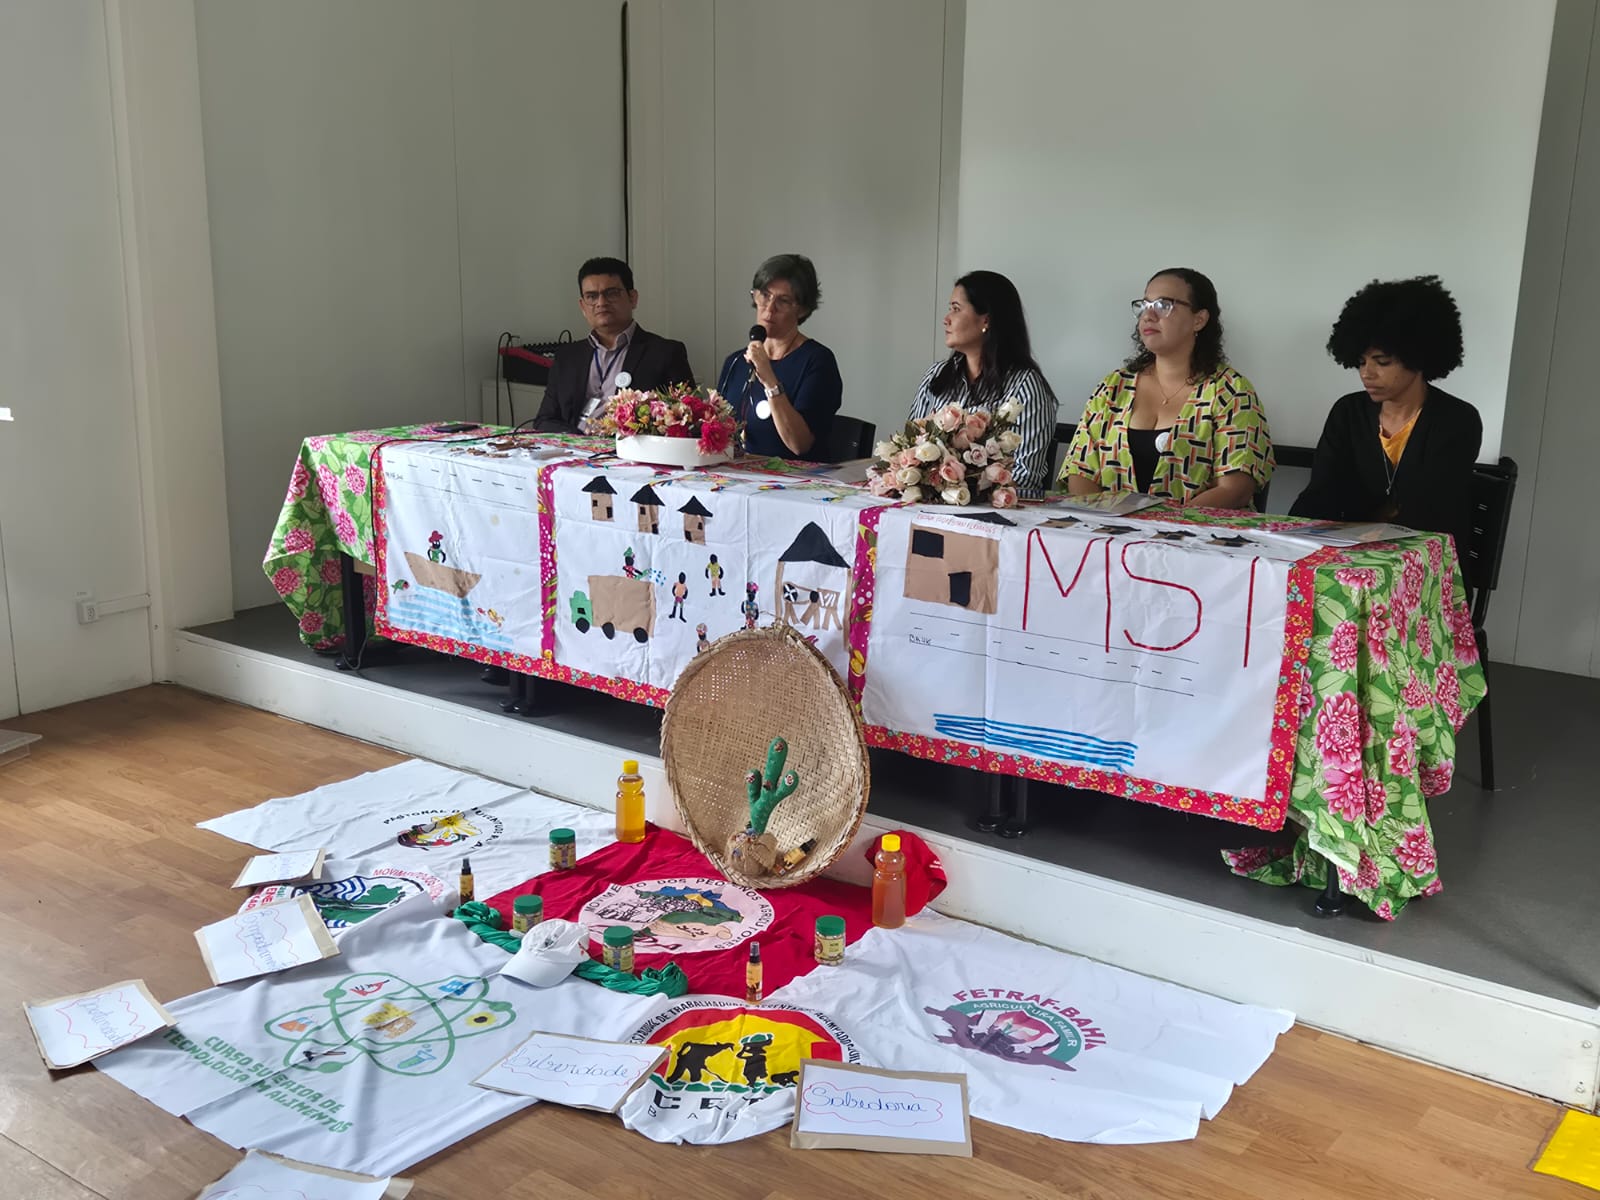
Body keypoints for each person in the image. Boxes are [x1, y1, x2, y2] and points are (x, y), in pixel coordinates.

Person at [1291, 276, 1481, 552]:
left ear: (1417, 357)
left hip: (1426, 563)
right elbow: (1321, 494)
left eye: (1382, 362)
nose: (1367, 373)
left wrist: (1358, 521)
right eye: (1361, 362)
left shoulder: (1456, 420)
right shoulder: (1348, 412)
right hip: (1350, 556)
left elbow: (1431, 513)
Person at [1058, 268, 1273, 508]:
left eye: (1163, 305)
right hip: (1109, 528)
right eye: (1144, 305)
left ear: (1199, 319)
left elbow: (1235, 489)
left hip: (1196, 529)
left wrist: (1165, 524)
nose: (1148, 316)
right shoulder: (1114, 386)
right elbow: (1080, 471)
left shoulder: (1231, 390)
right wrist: (1100, 516)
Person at [909, 271, 1057, 496]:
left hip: (995, 512)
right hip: (932, 505)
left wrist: (962, 492)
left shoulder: (1025, 386)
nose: (946, 319)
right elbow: (912, 450)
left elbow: (1024, 478)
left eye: (956, 309)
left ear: (986, 320)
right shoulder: (935, 375)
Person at [533, 256, 695, 434]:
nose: (601, 303)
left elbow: (687, 421)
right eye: (592, 296)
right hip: (574, 446)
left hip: (626, 448)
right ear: (583, 306)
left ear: (632, 298)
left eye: (611, 293)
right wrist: (581, 441)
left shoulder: (665, 353)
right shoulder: (567, 357)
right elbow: (544, 420)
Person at [716, 254, 842, 459]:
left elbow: (799, 444)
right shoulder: (736, 361)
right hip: (738, 472)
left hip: (795, 475)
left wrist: (769, 380)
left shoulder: (818, 361)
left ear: (802, 310)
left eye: (783, 301)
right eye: (765, 296)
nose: (769, 308)